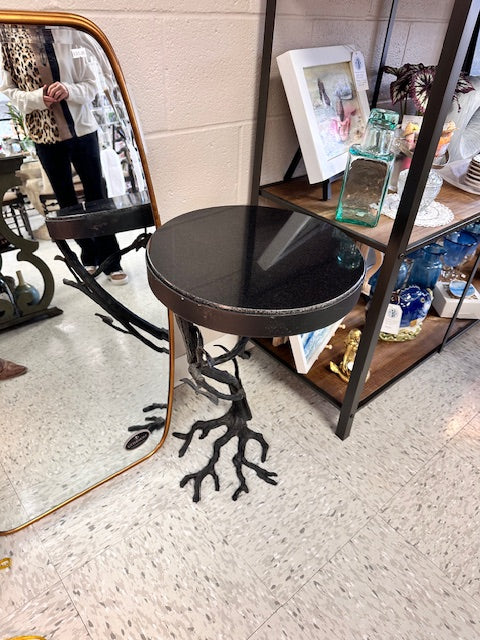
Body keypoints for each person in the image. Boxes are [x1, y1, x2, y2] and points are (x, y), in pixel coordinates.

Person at [0, 24, 128, 284]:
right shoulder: (7, 38)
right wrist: (38, 97)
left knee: (97, 196)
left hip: (83, 130)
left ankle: (112, 259)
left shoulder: (67, 29)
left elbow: (92, 84)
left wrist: (70, 90)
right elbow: (8, 93)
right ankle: (89, 255)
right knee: (66, 201)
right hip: (44, 136)